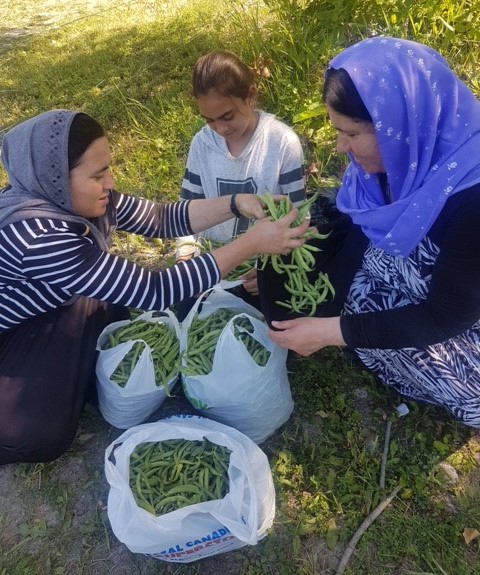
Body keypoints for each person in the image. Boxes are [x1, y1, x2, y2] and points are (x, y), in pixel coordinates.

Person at [0, 109, 309, 465]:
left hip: (50, 305)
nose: (111, 182)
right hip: (13, 334)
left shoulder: (75, 203)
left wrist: (235, 203)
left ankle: (71, 369)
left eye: (108, 169)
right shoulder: (37, 236)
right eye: (97, 175)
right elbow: (154, 290)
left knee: (108, 313)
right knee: (39, 436)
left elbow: (162, 217)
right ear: (54, 179)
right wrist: (251, 244)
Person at [268, 36, 480, 427]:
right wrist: (287, 255)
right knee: (333, 291)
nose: (340, 146)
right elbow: (357, 229)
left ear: (399, 124)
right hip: (432, 284)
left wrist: (332, 332)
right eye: (337, 130)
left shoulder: (472, 198)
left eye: (351, 134)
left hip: (463, 312)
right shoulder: (399, 157)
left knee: (471, 391)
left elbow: (444, 317)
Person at [175, 50, 305, 315]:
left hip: (262, 265)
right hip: (213, 264)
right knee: (186, 315)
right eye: (209, 120)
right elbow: (186, 209)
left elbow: (298, 214)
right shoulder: (202, 144)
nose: (220, 128)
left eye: (227, 116)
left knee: (275, 322)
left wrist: (272, 266)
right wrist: (185, 257)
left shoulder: (281, 142)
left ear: (250, 95)